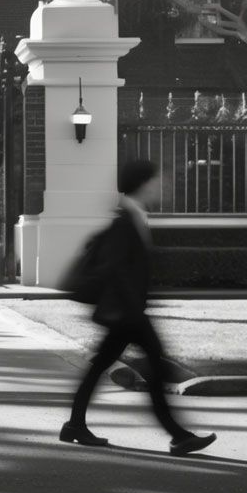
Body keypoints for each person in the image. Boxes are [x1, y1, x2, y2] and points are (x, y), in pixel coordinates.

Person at [61, 159, 217, 456]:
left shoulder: (133, 216)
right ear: (144, 184)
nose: (161, 185)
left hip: (127, 312)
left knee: (103, 366)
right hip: (127, 313)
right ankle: (178, 436)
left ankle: (75, 425)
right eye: (156, 180)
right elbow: (115, 269)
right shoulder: (125, 221)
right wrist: (132, 309)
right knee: (153, 367)